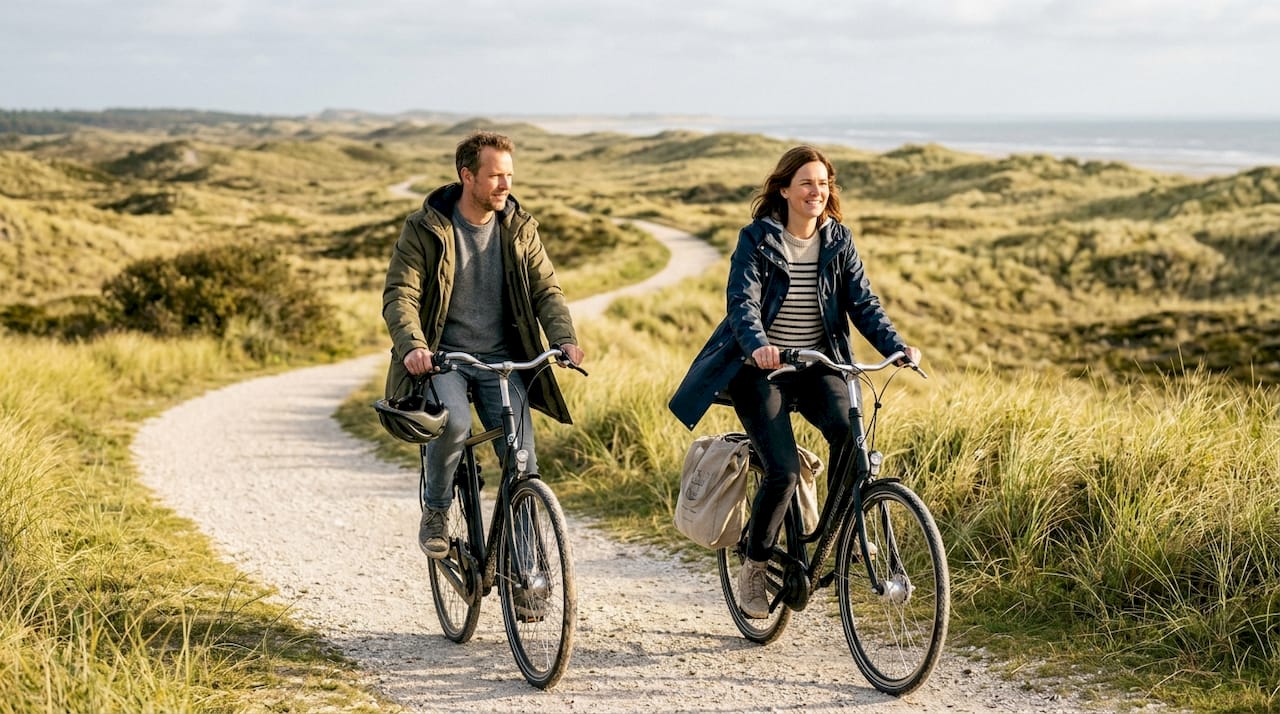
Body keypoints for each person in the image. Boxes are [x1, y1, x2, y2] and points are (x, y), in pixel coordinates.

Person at [669, 145, 921, 619]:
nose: (816, 192)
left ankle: (828, 539)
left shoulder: (839, 241)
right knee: (782, 469)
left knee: (852, 442)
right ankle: (755, 564)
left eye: (824, 183)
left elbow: (864, 304)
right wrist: (759, 344)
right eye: (806, 183)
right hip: (760, 370)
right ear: (784, 189)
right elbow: (742, 304)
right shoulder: (757, 239)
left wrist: (896, 346)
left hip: (817, 365)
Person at [382, 130, 585, 559]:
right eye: (495, 176)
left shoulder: (519, 227)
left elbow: (546, 290)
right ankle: (436, 510)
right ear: (467, 176)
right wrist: (414, 347)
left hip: (502, 361)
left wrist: (563, 339)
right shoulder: (426, 228)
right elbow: (401, 294)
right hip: (443, 359)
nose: (506, 185)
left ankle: (528, 575)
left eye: (509, 175)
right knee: (453, 423)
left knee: (523, 462)